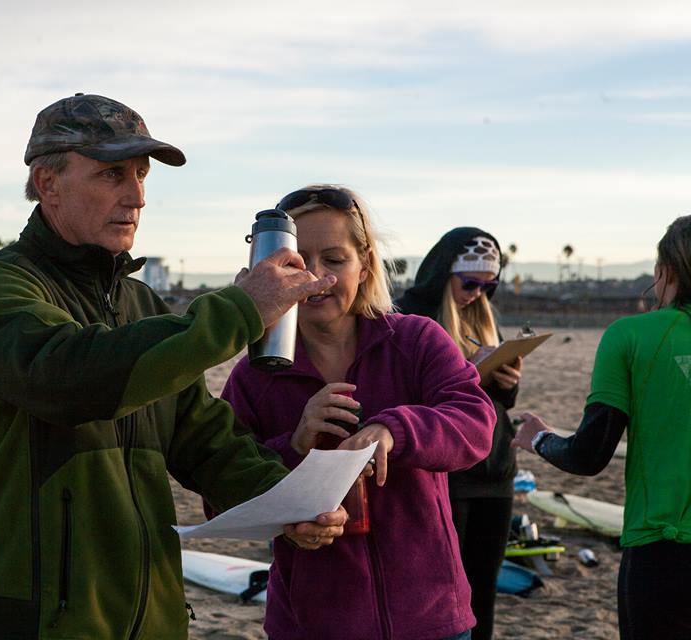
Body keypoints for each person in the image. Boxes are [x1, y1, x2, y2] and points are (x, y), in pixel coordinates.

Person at [0, 94, 347, 640]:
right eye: (112, 175)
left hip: (150, 614)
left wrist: (288, 502)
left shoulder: (140, 304)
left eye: (140, 175)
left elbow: (203, 438)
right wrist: (240, 309)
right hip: (39, 618)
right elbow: (72, 380)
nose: (136, 196)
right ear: (48, 183)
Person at [222, 185, 496, 640]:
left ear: (365, 264)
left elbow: (475, 423)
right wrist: (294, 446)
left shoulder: (415, 340)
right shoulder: (257, 374)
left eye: (334, 259)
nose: (315, 276)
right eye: (297, 262)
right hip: (311, 624)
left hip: (430, 618)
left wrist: (394, 430)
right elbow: (224, 493)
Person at [513, 216, 691, 640]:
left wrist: (538, 437)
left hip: (663, 550)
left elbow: (589, 456)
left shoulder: (631, 335)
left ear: (664, 271)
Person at [395, 228, 520, 640]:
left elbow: (500, 406)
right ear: (444, 274)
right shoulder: (412, 318)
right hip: (446, 474)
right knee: (444, 596)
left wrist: (506, 379)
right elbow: (402, 395)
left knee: (484, 590)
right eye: (470, 283)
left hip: (496, 471)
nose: (478, 293)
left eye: (490, 285)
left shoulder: (480, 315)